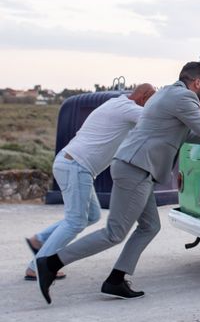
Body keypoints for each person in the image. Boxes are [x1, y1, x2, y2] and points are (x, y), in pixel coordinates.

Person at [35, 62, 200, 303]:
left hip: (136, 168)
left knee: (149, 226)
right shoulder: (185, 97)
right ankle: (50, 263)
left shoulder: (166, 92)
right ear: (196, 83)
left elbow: (187, 134)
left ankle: (116, 279)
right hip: (136, 169)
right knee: (114, 233)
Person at [24, 84, 156, 281]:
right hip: (76, 166)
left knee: (91, 215)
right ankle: (37, 267)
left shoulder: (116, 104)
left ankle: (40, 240)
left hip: (72, 164)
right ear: (144, 97)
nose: (151, 105)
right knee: (75, 221)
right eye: (152, 101)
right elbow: (155, 121)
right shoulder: (127, 109)